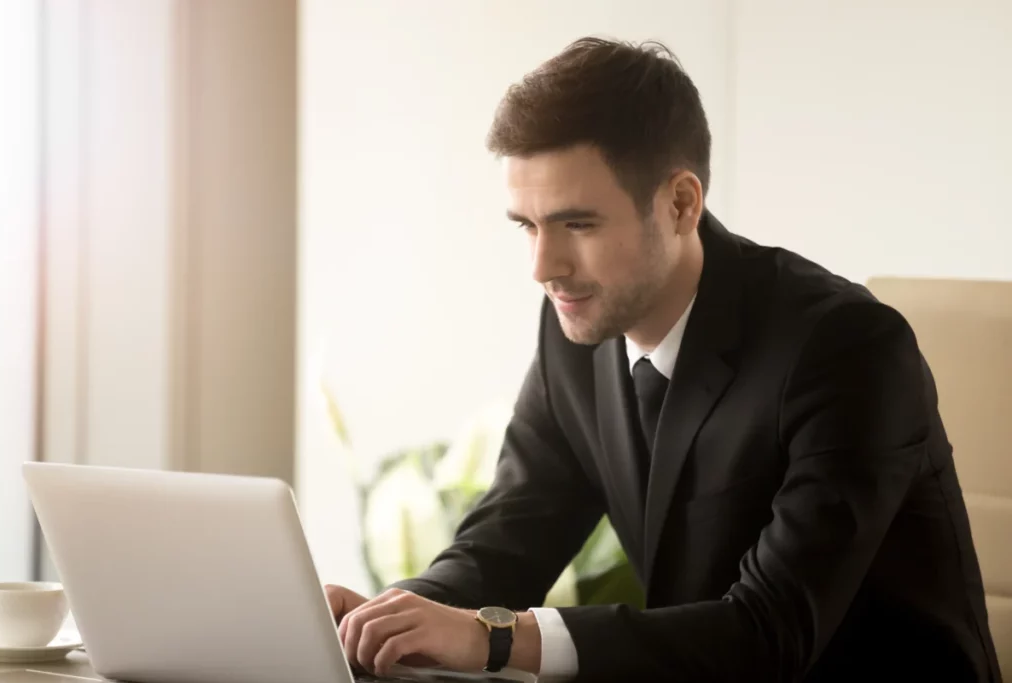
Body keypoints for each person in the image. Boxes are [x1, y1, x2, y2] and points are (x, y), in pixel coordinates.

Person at [325, 36, 1001, 682]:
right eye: (527, 225)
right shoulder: (576, 326)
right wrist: (387, 619)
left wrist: (498, 637)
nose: (543, 267)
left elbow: (769, 634)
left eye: (577, 224)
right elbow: (506, 542)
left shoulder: (846, 350)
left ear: (680, 202)